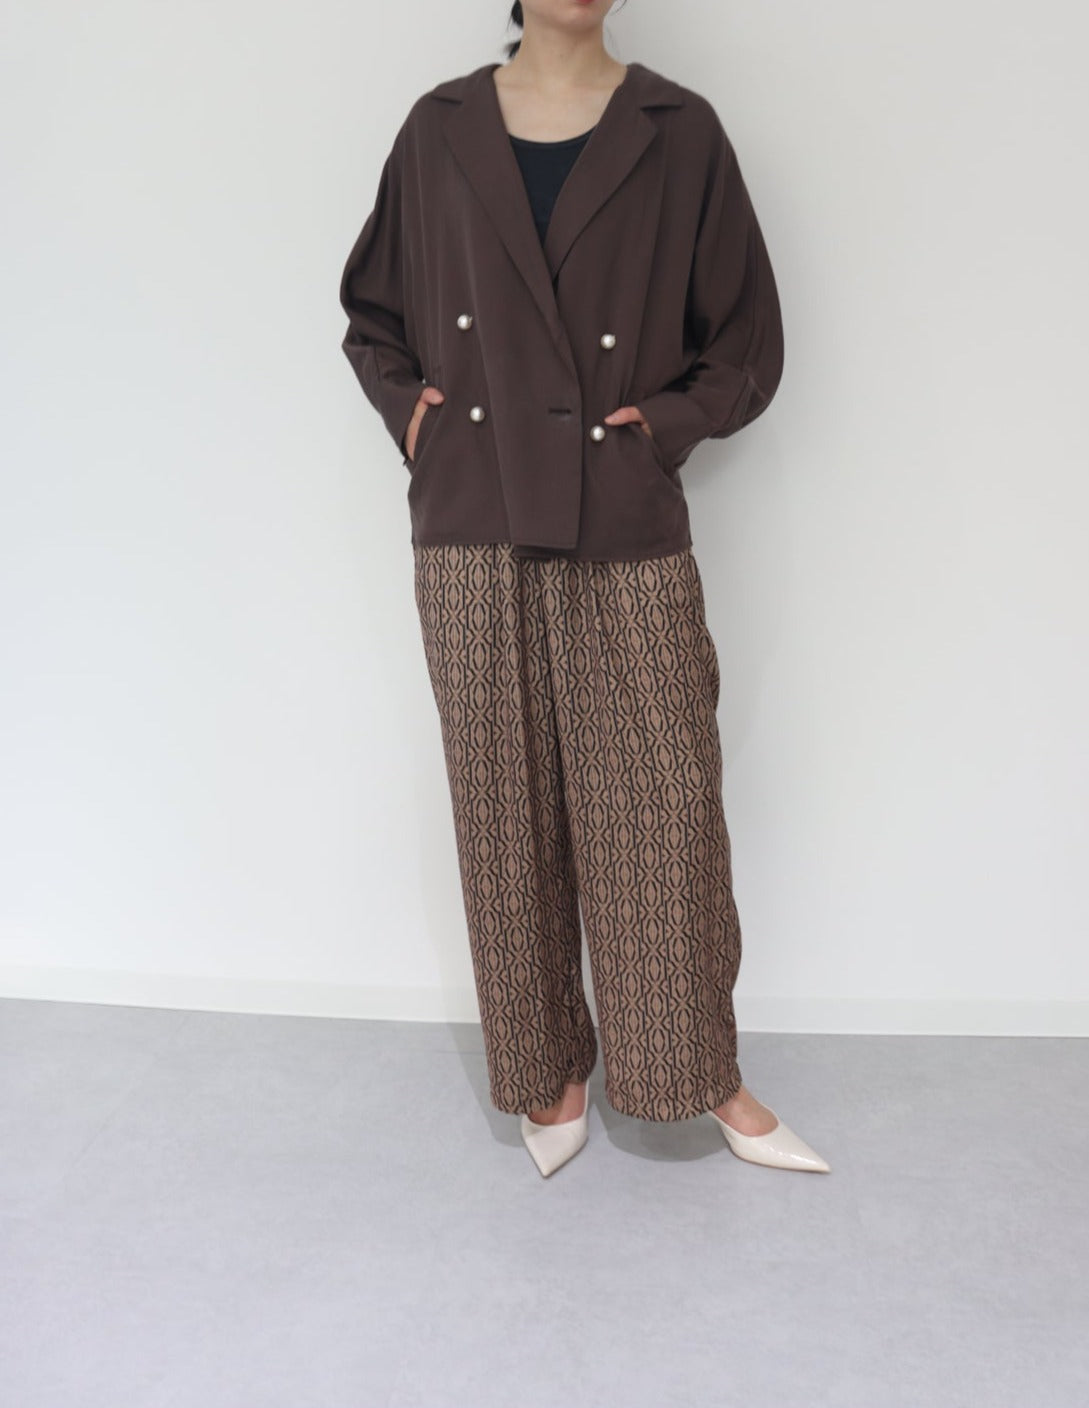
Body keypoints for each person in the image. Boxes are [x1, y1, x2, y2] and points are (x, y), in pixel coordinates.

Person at [339, 0, 831, 1177]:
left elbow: (745, 342)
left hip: (619, 511)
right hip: (473, 508)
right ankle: (547, 1069)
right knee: (504, 805)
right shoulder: (439, 128)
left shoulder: (677, 128)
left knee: (662, 804)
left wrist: (658, 429)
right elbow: (373, 316)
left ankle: (698, 1072)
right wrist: (415, 417)